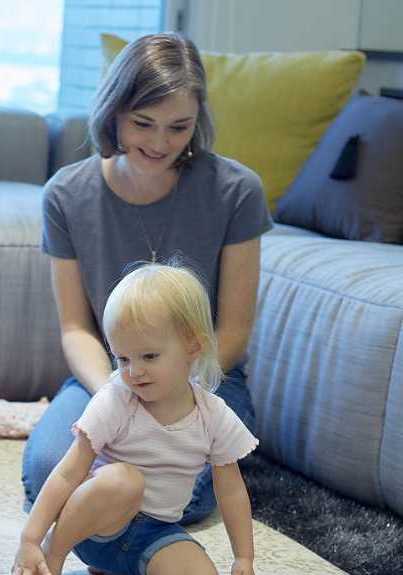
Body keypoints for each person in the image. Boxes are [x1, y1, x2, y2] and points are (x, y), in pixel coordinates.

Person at [23, 33, 274, 541]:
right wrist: (117, 396)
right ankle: (116, 509)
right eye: (143, 124)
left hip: (203, 381)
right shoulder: (67, 195)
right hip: (115, 376)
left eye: (178, 127)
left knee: (181, 487)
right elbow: (76, 328)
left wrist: (177, 394)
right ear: (114, 113)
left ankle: (115, 516)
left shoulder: (236, 190)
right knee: (48, 467)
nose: (160, 143)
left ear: (196, 121)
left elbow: (235, 328)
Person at [10, 265, 270, 575]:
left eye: (149, 356)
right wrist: (31, 538)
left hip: (156, 532)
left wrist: (244, 557)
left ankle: (129, 570)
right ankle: (53, 555)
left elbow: (232, 489)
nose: (134, 371)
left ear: (194, 347)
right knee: (125, 479)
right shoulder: (117, 399)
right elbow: (67, 472)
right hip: (95, 527)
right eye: (123, 358)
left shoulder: (213, 414)